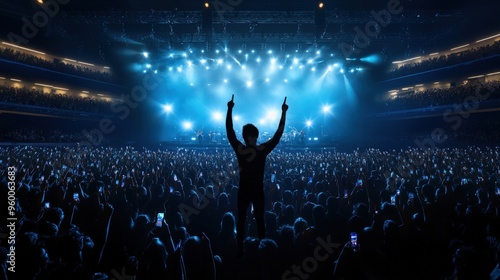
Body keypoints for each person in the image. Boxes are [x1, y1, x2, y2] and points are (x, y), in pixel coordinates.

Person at [225, 94, 288, 257]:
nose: (252, 138)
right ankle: (256, 251)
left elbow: (277, 136)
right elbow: (230, 133)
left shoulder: (245, 150)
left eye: (253, 136)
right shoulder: (259, 151)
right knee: (249, 220)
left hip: (247, 190)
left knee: (252, 220)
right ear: (248, 137)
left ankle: (247, 251)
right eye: (250, 136)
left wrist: (283, 113)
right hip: (252, 190)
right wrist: (229, 110)